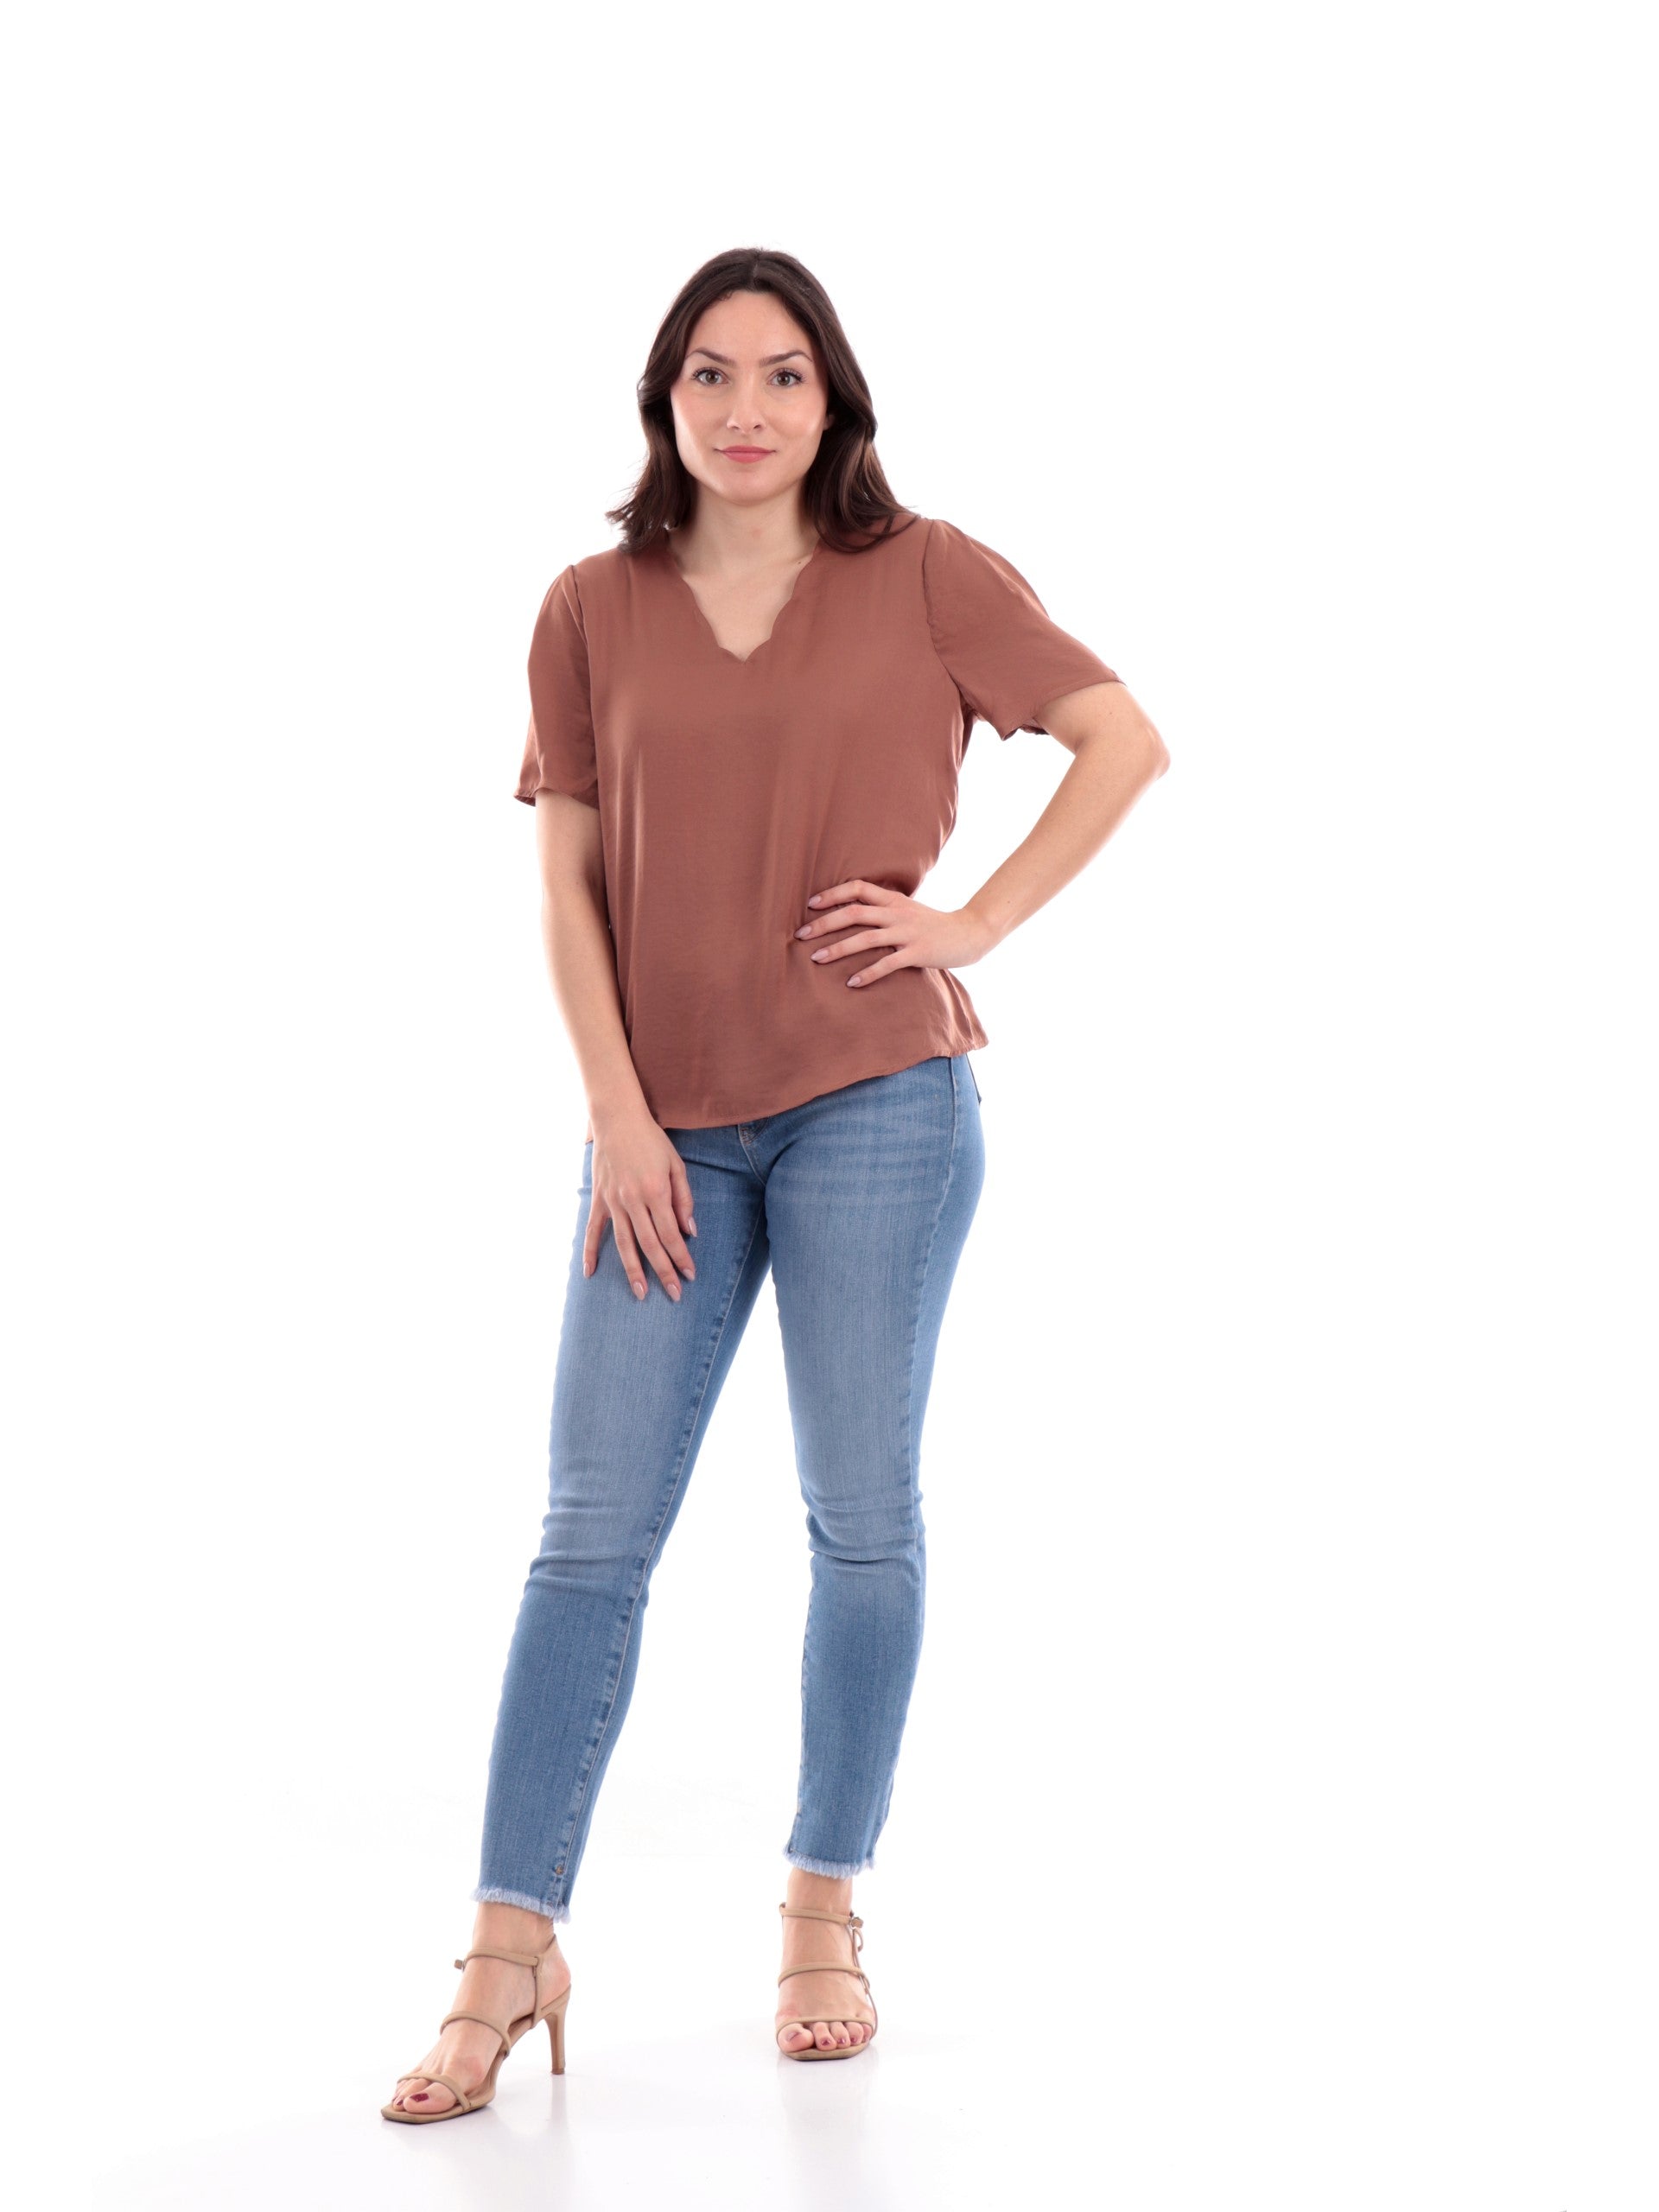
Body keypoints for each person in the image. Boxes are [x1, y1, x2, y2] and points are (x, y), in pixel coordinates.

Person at [383, 246, 1169, 2120]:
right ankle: (509, 1945)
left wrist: (973, 920)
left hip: (877, 1101)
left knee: (860, 1515)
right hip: (660, 1127)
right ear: (665, 402)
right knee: (589, 1535)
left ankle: (823, 1902)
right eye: (711, 376)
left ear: (837, 401)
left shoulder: (929, 573)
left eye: (785, 375)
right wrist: (618, 1113)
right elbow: (567, 882)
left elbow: (1122, 738)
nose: (747, 410)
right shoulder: (590, 605)